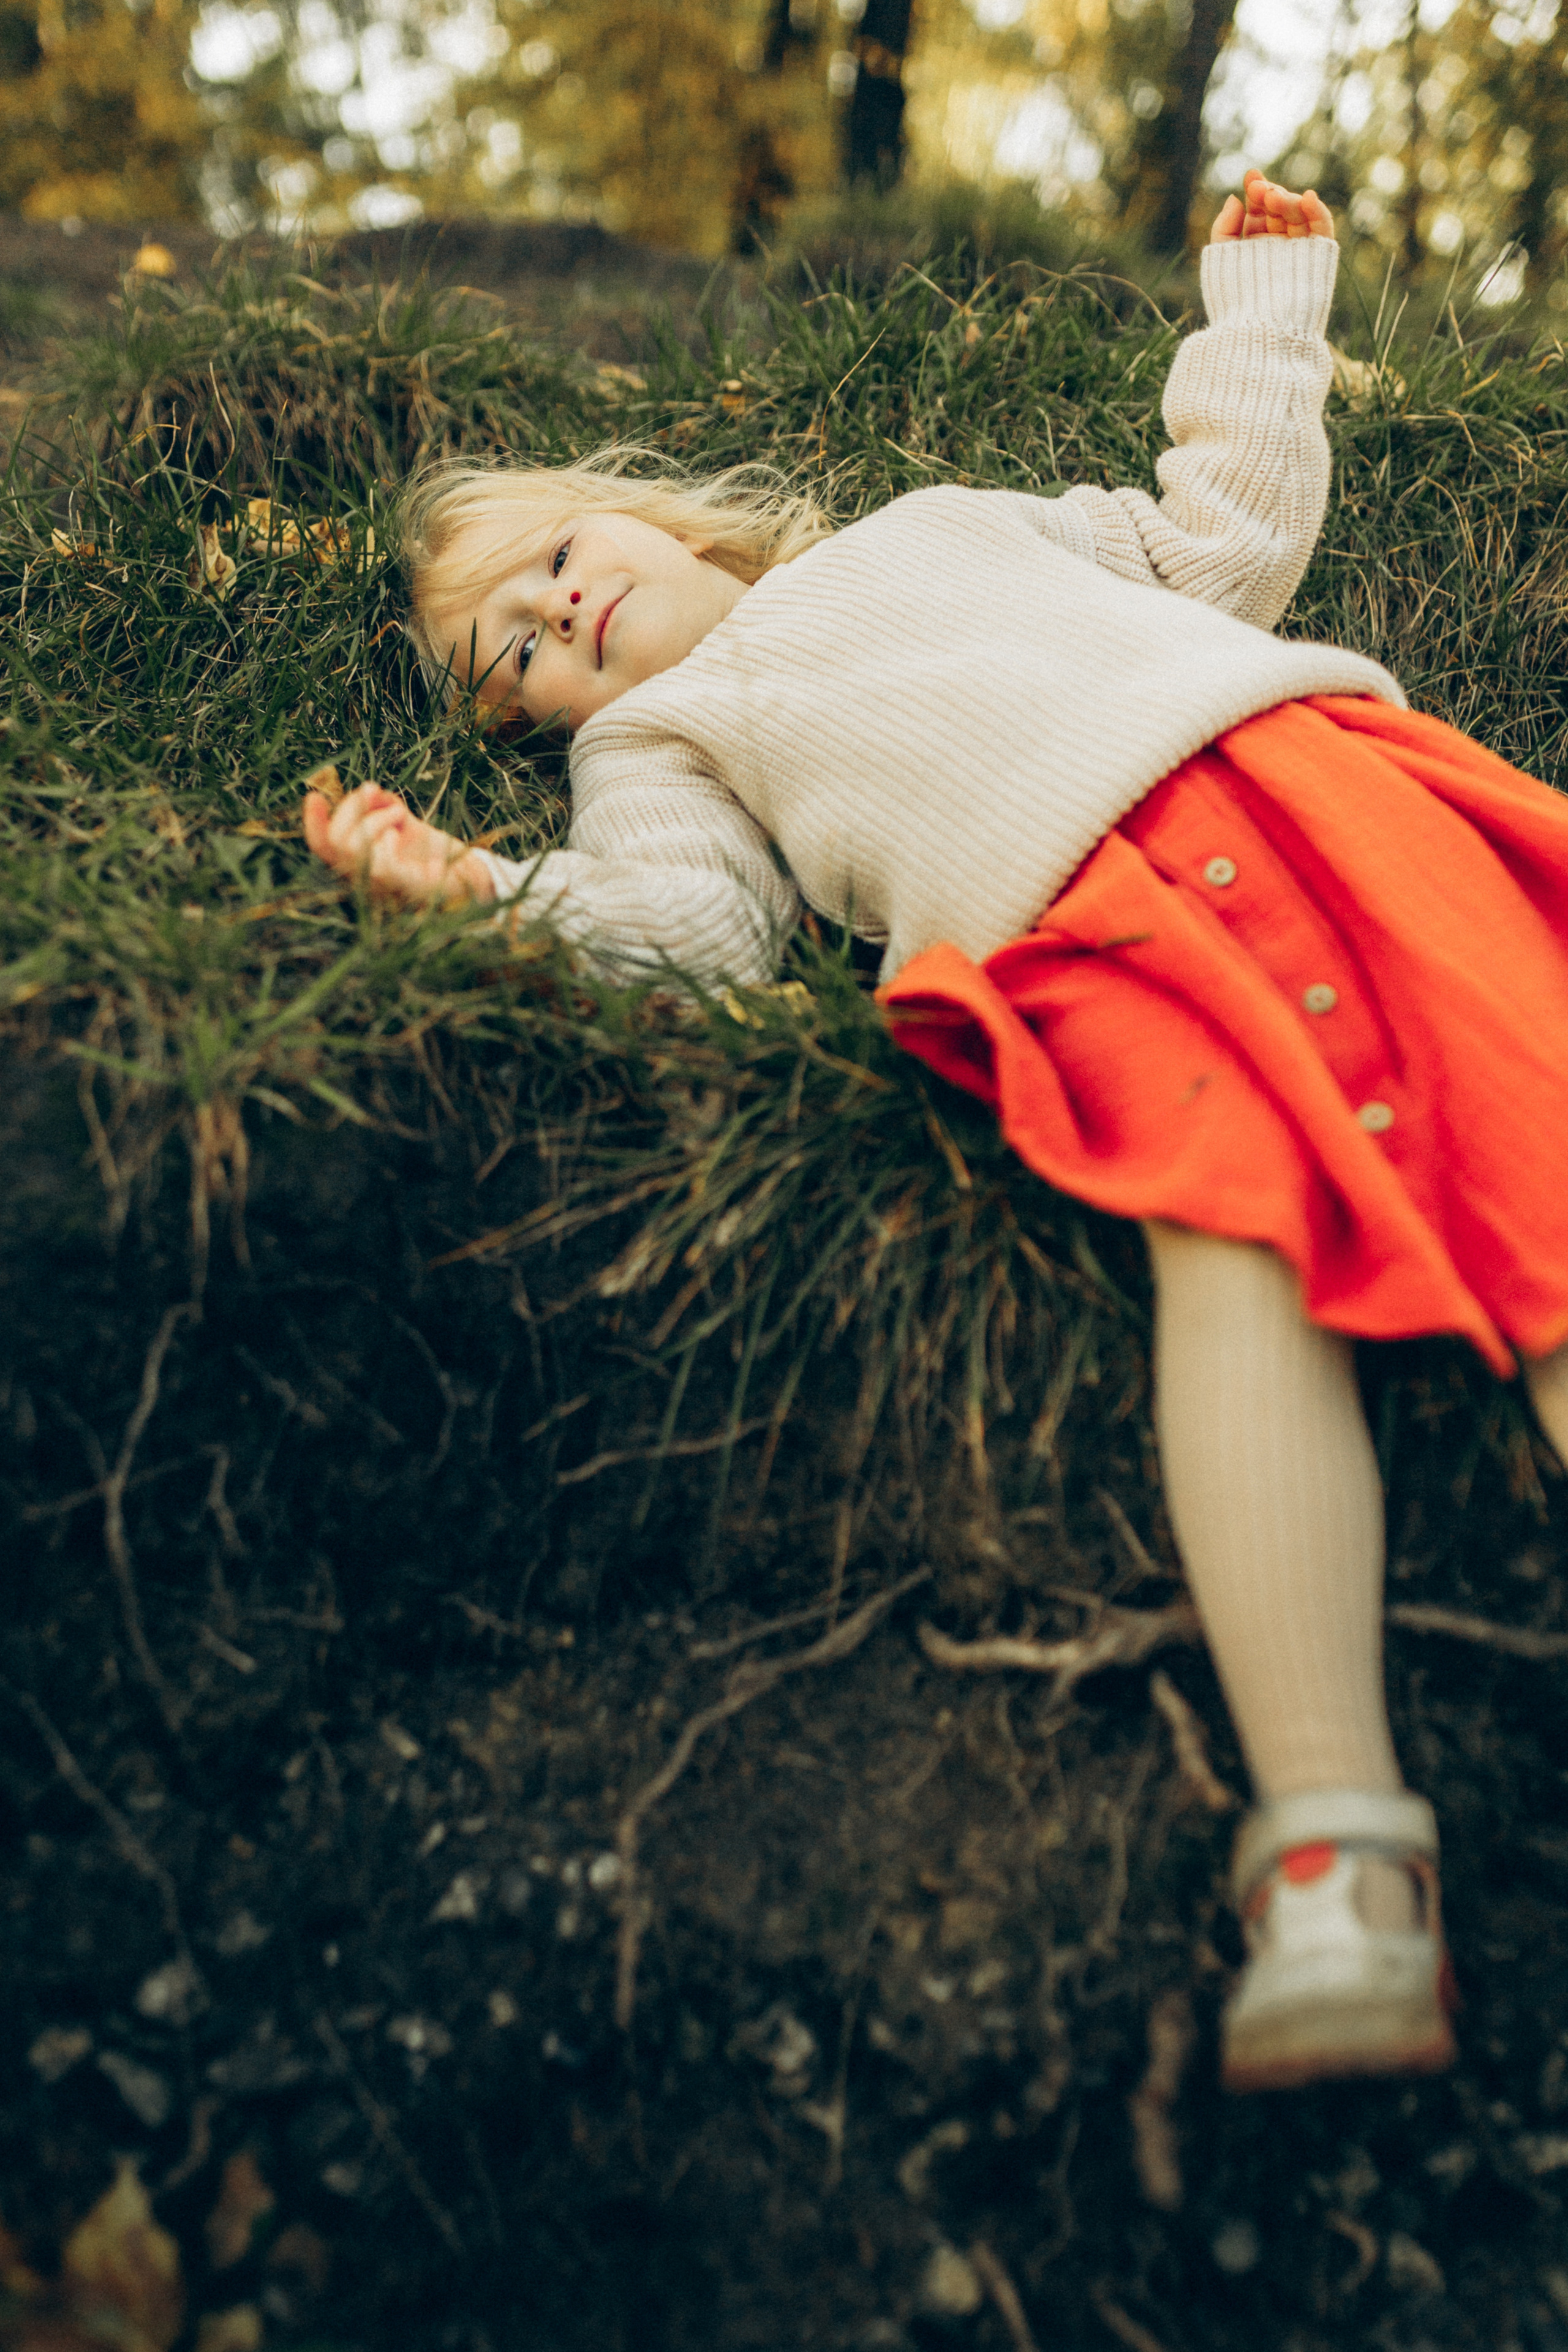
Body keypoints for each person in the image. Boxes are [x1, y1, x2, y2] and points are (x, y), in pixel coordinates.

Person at [303, 170, 1568, 2094]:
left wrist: (1260, 316)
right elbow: (689, 943)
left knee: (1545, 1165)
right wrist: (480, 891)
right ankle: (1333, 1858)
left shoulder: (949, 526)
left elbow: (1221, 548)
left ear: (642, 505)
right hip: (1091, 933)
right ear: (545, 720)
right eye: (520, 655)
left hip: (1326, 804)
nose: (560, 610)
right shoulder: (660, 746)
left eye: (554, 558)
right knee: (1225, 1251)